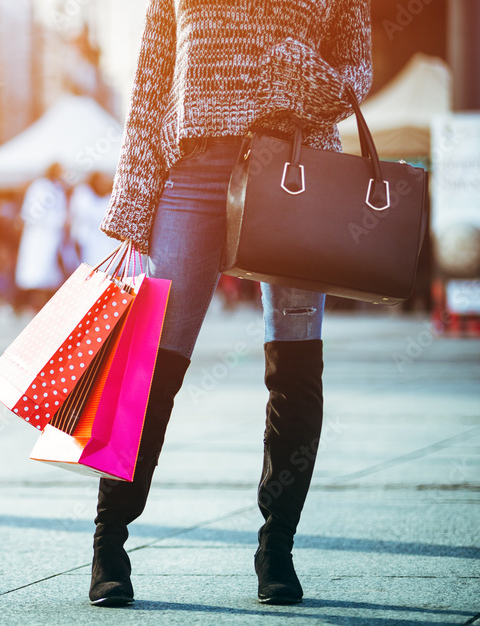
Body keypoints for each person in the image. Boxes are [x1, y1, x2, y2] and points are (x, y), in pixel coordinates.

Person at [90, 0, 372, 607]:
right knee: (151, 364)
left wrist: (301, 69)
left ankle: (277, 547)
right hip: (192, 169)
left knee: (295, 366)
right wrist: (135, 208)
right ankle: (109, 541)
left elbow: (355, 74)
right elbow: (150, 82)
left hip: (296, 165)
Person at [14, 163, 68, 311]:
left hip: (53, 237)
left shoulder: (58, 187)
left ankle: (47, 305)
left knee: (50, 272)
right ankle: (34, 304)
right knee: (38, 271)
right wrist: (56, 222)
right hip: (40, 236)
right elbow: (32, 212)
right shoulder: (40, 187)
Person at [70, 172, 121, 266]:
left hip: (105, 249)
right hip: (90, 246)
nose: (103, 185)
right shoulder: (85, 196)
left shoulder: (107, 200)